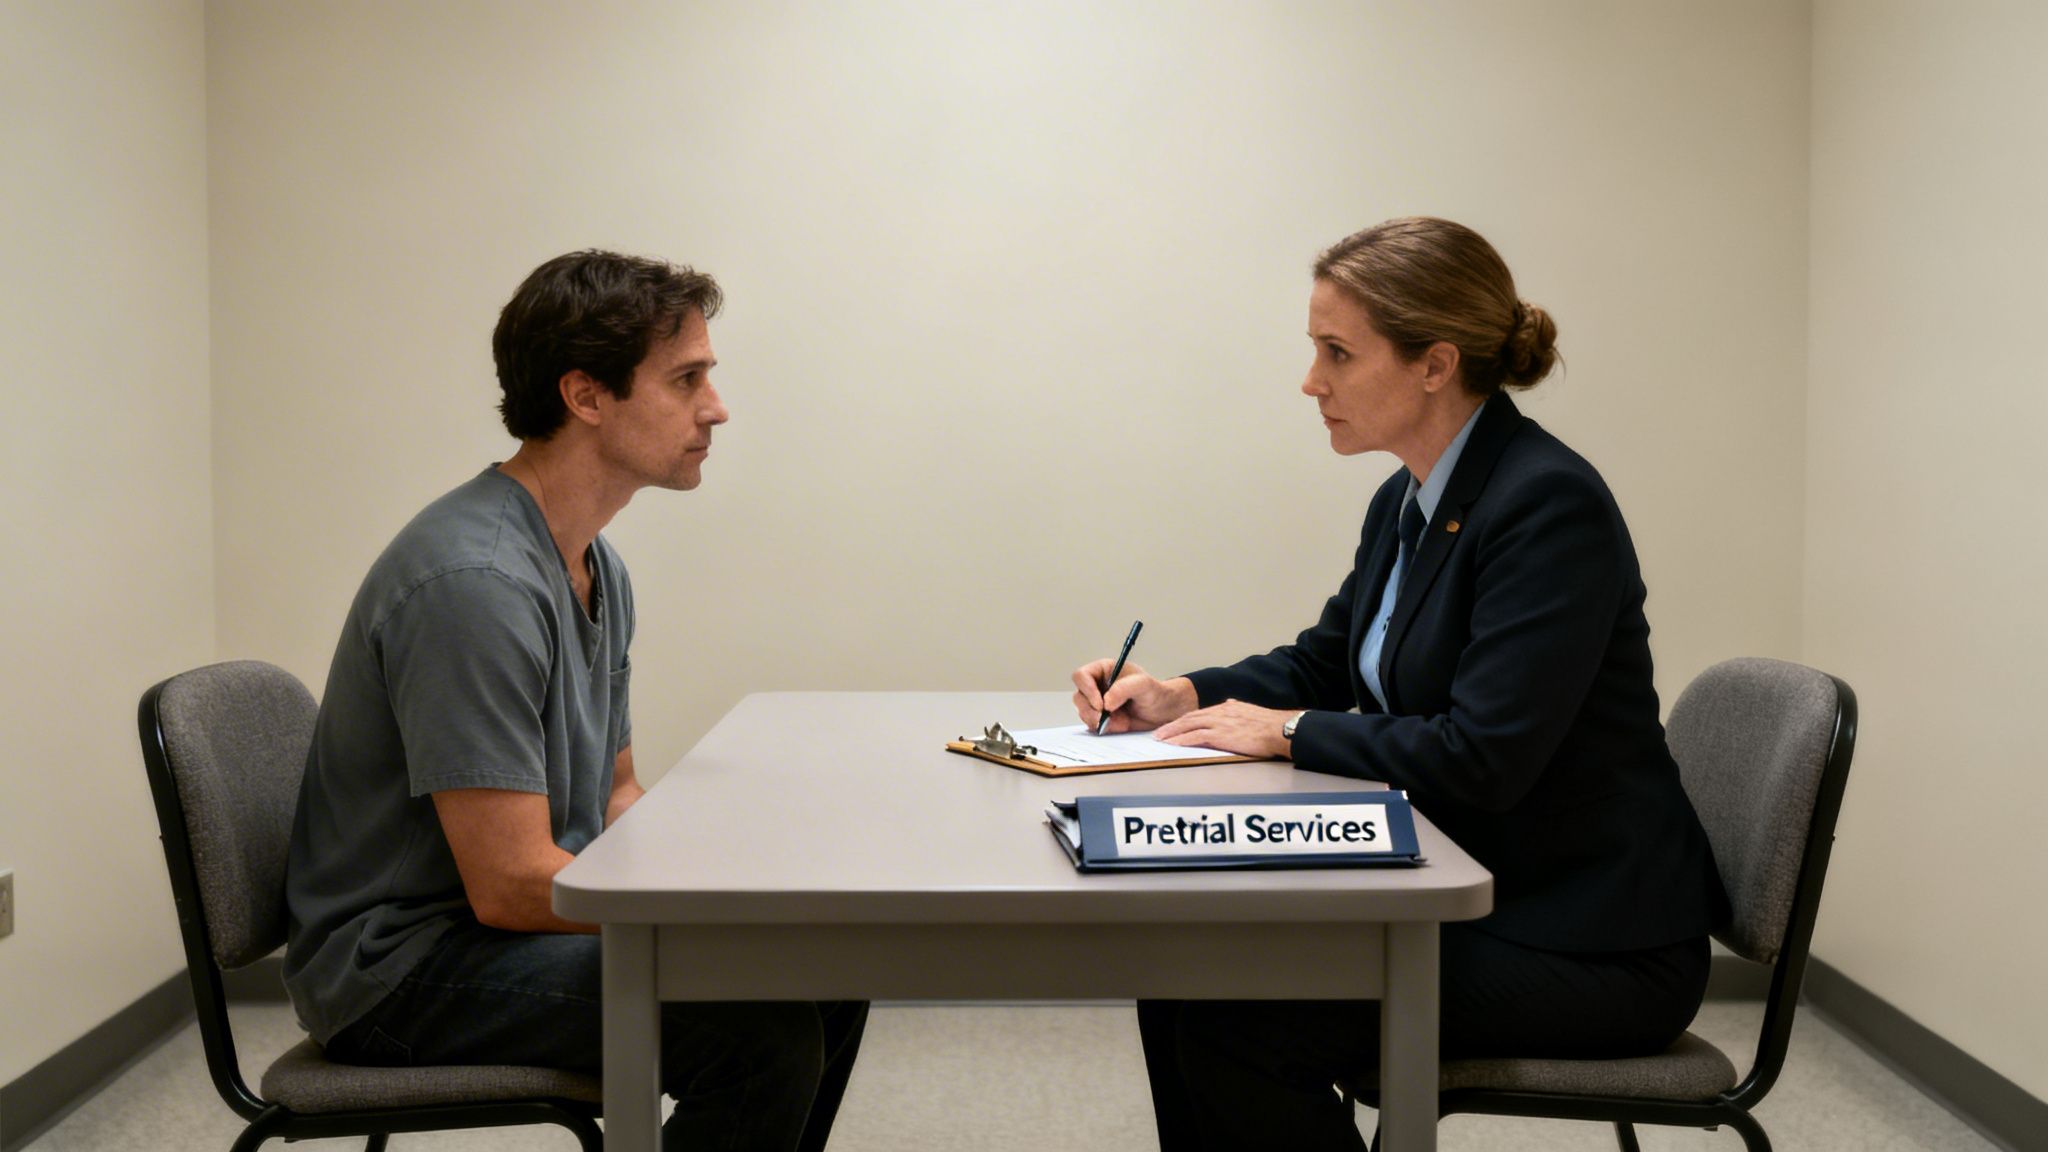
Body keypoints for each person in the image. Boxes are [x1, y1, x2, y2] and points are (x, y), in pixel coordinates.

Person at [1070, 217, 1729, 1151]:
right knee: (1185, 970)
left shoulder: (1547, 504)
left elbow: (1482, 755)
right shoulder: (1410, 496)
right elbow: (1332, 661)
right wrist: (1183, 692)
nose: (1312, 381)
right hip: (1485, 893)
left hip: (1589, 943)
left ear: (1435, 364)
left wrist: (1291, 734)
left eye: (1337, 352)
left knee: (1234, 1020)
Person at [284, 250, 866, 1152]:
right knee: (763, 1030)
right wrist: (720, 910)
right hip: (402, 970)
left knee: (818, 969)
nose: (716, 406)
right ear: (586, 396)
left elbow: (616, 798)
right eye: (686, 379)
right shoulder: (473, 583)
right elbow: (512, 886)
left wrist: (747, 884)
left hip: (483, 931)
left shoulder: (594, 563)